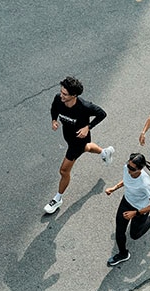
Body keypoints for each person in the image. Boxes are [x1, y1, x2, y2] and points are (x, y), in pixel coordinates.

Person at [44, 76, 115, 214]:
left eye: (65, 94)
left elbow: (102, 114)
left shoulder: (85, 106)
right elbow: (54, 108)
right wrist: (53, 120)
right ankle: (105, 152)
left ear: (74, 95)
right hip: (69, 136)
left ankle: (58, 199)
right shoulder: (58, 99)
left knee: (64, 171)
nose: (61, 95)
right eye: (61, 92)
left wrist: (88, 127)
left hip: (78, 140)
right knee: (86, 148)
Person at [104, 153, 150, 265]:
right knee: (120, 231)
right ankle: (123, 254)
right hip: (126, 202)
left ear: (140, 169)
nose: (128, 169)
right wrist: (114, 188)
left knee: (135, 235)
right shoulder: (127, 168)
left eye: (132, 168)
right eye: (128, 165)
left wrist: (135, 213)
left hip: (141, 208)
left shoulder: (145, 183)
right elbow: (126, 180)